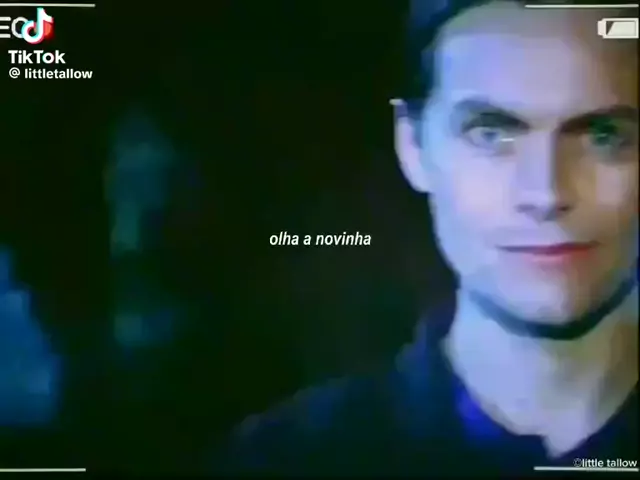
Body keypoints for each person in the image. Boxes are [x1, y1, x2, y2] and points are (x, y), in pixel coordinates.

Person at [213, 0, 638, 474]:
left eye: (604, 136)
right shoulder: (283, 460)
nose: (546, 194)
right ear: (412, 147)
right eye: (490, 134)